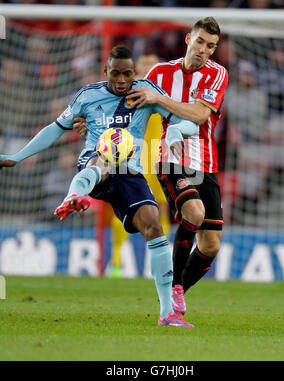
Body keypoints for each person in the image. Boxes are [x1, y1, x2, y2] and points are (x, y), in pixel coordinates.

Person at [0, 45, 197, 328]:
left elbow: (185, 120)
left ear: (134, 73)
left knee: (154, 225)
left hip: (130, 172)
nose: (121, 79)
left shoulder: (146, 92)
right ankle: (73, 197)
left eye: (127, 73)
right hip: (95, 162)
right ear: (105, 71)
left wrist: (177, 129)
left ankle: (167, 313)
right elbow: (54, 128)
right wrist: (17, 157)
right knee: (104, 157)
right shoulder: (87, 96)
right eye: (115, 73)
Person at [126, 17, 228, 316]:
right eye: (200, 42)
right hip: (171, 158)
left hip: (205, 162)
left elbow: (198, 115)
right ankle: (171, 288)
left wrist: (159, 98)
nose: (204, 50)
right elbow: (132, 103)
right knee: (193, 212)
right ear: (188, 39)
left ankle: (178, 286)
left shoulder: (218, 73)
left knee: (210, 246)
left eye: (211, 46)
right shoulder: (159, 72)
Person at [108, 51, 170, 278]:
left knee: (161, 207)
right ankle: (115, 261)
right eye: (145, 64)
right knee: (125, 208)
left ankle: (159, 260)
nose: (149, 67)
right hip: (133, 155)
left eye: (154, 64)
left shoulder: (163, 93)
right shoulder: (129, 93)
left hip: (159, 157)